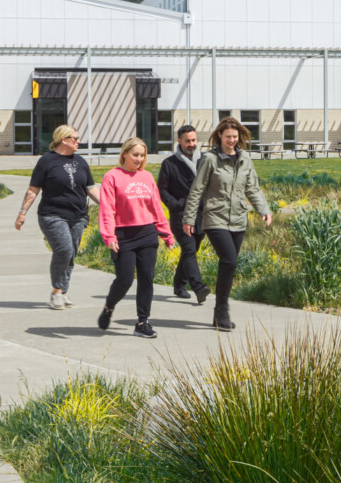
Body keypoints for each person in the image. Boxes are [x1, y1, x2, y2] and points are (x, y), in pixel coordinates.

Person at [181, 116, 271, 332]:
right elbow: (197, 190)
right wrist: (188, 218)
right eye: (228, 136)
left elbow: (253, 188)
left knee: (229, 264)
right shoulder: (210, 159)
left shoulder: (245, 159)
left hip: (239, 218)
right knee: (229, 260)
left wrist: (264, 209)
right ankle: (222, 310)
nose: (231, 140)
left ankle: (219, 310)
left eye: (235, 136)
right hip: (215, 218)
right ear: (219, 135)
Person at [96, 137, 176, 339]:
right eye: (135, 155)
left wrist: (166, 233)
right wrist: (109, 236)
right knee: (124, 280)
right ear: (125, 154)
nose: (139, 159)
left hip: (147, 233)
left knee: (147, 279)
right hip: (124, 235)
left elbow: (156, 207)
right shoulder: (112, 177)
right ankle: (109, 306)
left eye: (142, 155)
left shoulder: (147, 177)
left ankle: (142, 322)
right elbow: (107, 209)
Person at [16, 124, 99, 309]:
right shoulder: (46, 161)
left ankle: (62, 292)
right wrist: (22, 213)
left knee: (71, 255)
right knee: (64, 250)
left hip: (78, 216)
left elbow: (90, 188)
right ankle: (56, 291)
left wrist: (107, 205)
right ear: (64, 139)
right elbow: (33, 189)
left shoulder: (81, 162)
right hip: (52, 215)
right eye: (75, 138)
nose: (79, 142)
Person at [156, 124, 210, 303]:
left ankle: (179, 284)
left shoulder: (205, 159)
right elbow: (162, 190)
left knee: (191, 250)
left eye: (194, 140)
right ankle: (198, 287)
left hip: (202, 215)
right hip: (180, 216)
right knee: (188, 248)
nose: (192, 144)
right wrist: (177, 204)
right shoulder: (169, 164)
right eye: (187, 141)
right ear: (179, 141)